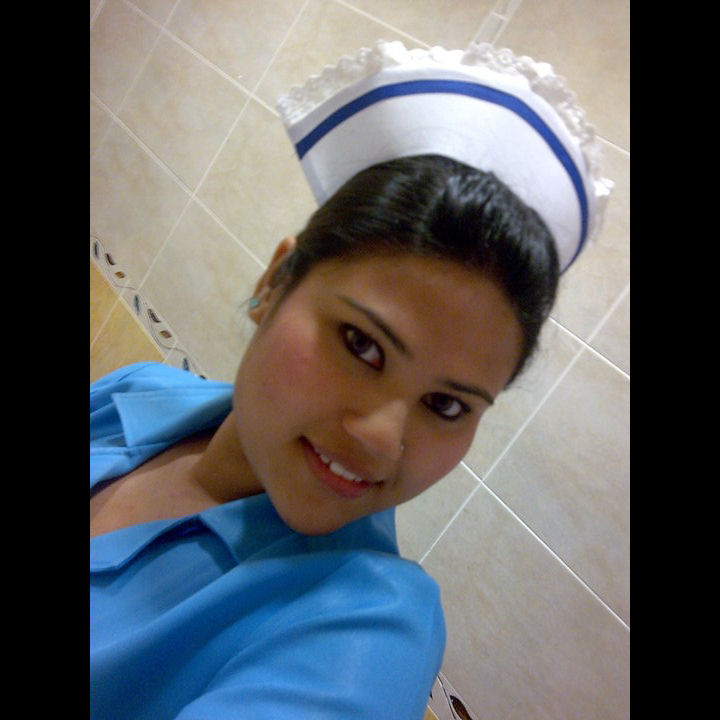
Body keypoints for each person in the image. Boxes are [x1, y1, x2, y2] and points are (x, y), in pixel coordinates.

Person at [90, 41, 611, 719]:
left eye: (446, 404)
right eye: (363, 345)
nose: (381, 439)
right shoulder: (134, 394)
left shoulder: (364, 634)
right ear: (275, 282)